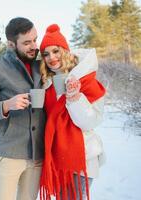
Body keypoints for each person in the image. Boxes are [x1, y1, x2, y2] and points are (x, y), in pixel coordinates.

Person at [0, 17, 46, 200]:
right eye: (27, 42)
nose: (33, 46)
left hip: (37, 154)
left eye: (35, 40)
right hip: (9, 155)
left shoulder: (42, 66)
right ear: (11, 44)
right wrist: (6, 105)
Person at [38, 24, 106, 200]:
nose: (51, 57)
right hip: (57, 159)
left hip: (80, 158)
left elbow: (90, 122)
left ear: (65, 51)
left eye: (55, 51)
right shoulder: (47, 84)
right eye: (46, 54)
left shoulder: (87, 81)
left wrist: (75, 98)